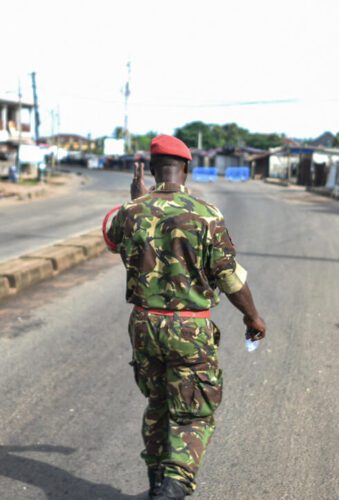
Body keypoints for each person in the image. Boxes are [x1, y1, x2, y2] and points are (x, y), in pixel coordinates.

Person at [103, 134, 266, 499]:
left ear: (154, 168)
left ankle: (156, 484)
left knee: (158, 403)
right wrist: (252, 317)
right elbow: (228, 278)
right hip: (189, 329)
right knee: (192, 413)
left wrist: (138, 200)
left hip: (145, 325)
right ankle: (171, 488)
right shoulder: (207, 215)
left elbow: (113, 240)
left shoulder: (131, 212)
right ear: (187, 168)